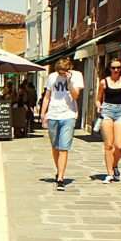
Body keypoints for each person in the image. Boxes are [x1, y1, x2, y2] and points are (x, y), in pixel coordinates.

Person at [40, 56, 84, 191]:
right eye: (59, 72)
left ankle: (60, 178)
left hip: (68, 114)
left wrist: (69, 81)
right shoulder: (52, 77)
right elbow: (47, 96)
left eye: (63, 72)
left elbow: (76, 96)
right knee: (55, 146)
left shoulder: (77, 76)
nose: (61, 74)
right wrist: (43, 114)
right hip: (53, 114)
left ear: (69, 69)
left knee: (64, 147)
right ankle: (59, 169)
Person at [95, 58, 121, 182]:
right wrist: (98, 107)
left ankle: (115, 164)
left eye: (118, 67)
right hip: (107, 111)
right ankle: (110, 173)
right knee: (108, 145)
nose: (116, 70)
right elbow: (98, 98)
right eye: (113, 68)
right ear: (109, 69)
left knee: (119, 145)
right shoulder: (104, 82)